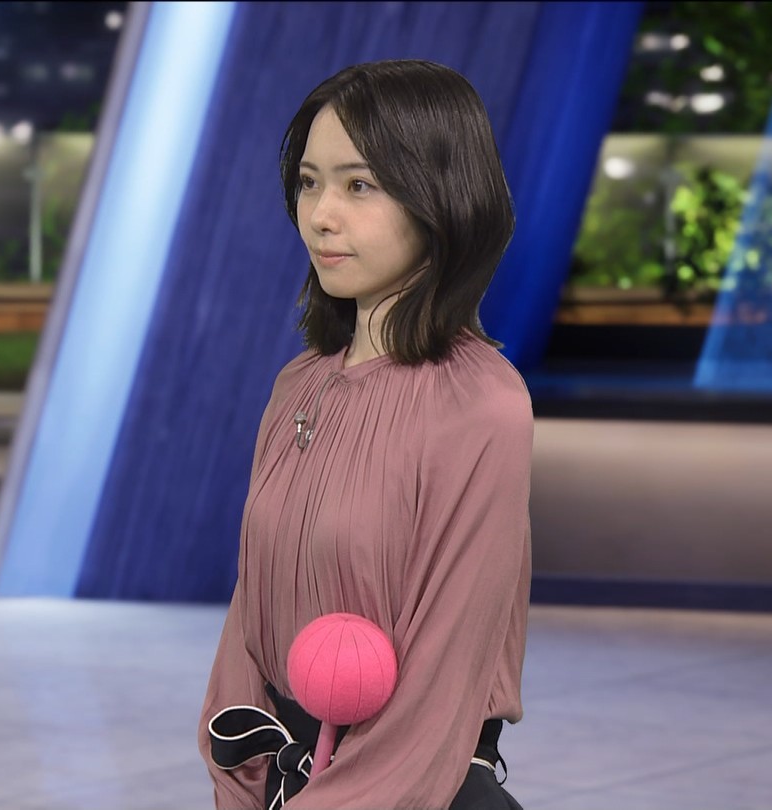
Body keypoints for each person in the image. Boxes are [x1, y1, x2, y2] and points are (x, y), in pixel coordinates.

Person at [197, 59, 533, 810]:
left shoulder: (483, 406)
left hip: (415, 790)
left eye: (360, 185)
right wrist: (240, 786)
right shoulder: (299, 384)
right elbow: (249, 621)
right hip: (291, 781)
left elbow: (443, 680)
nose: (321, 215)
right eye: (309, 182)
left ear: (440, 196)